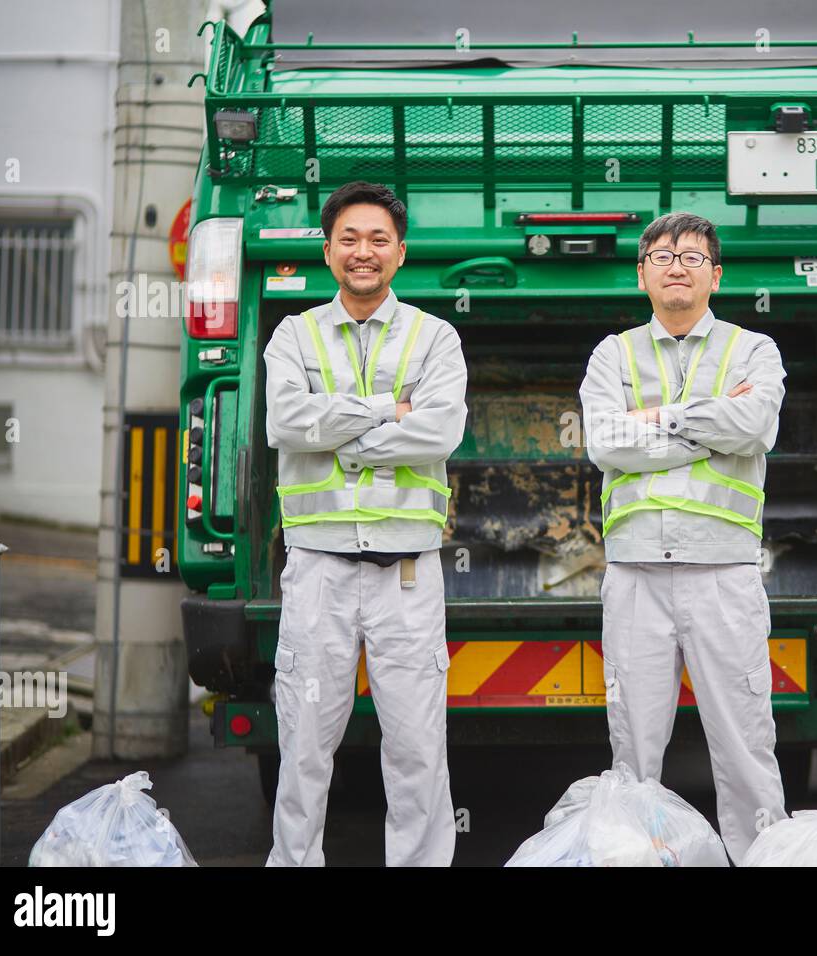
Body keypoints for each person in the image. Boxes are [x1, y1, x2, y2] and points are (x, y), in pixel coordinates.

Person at [262, 181, 467, 866]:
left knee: (416, 752)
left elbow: (438, 432)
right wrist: (390, 409)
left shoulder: (435, 336)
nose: (363, 251)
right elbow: (285, 424)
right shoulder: (294, 334)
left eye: (378, 239)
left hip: (405, 575)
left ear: (400, 253)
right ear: (327, 251)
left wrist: (339, 426)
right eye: (349, 238)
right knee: (303, 750)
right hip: (318, 569)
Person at [579, 211, 789, 862]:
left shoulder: (753, 350)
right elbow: (604, 442)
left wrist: (653, 423)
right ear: (641, 274)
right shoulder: (612, 353)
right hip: (636, 572)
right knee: (633, 749)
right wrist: (703, 427)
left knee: (745, 741)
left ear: (716, 275)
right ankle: (637, 859)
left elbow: (753, 426)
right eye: (663, 256)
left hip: (722, 571)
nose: (677, 266)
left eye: (693, 257)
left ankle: (761, 858)